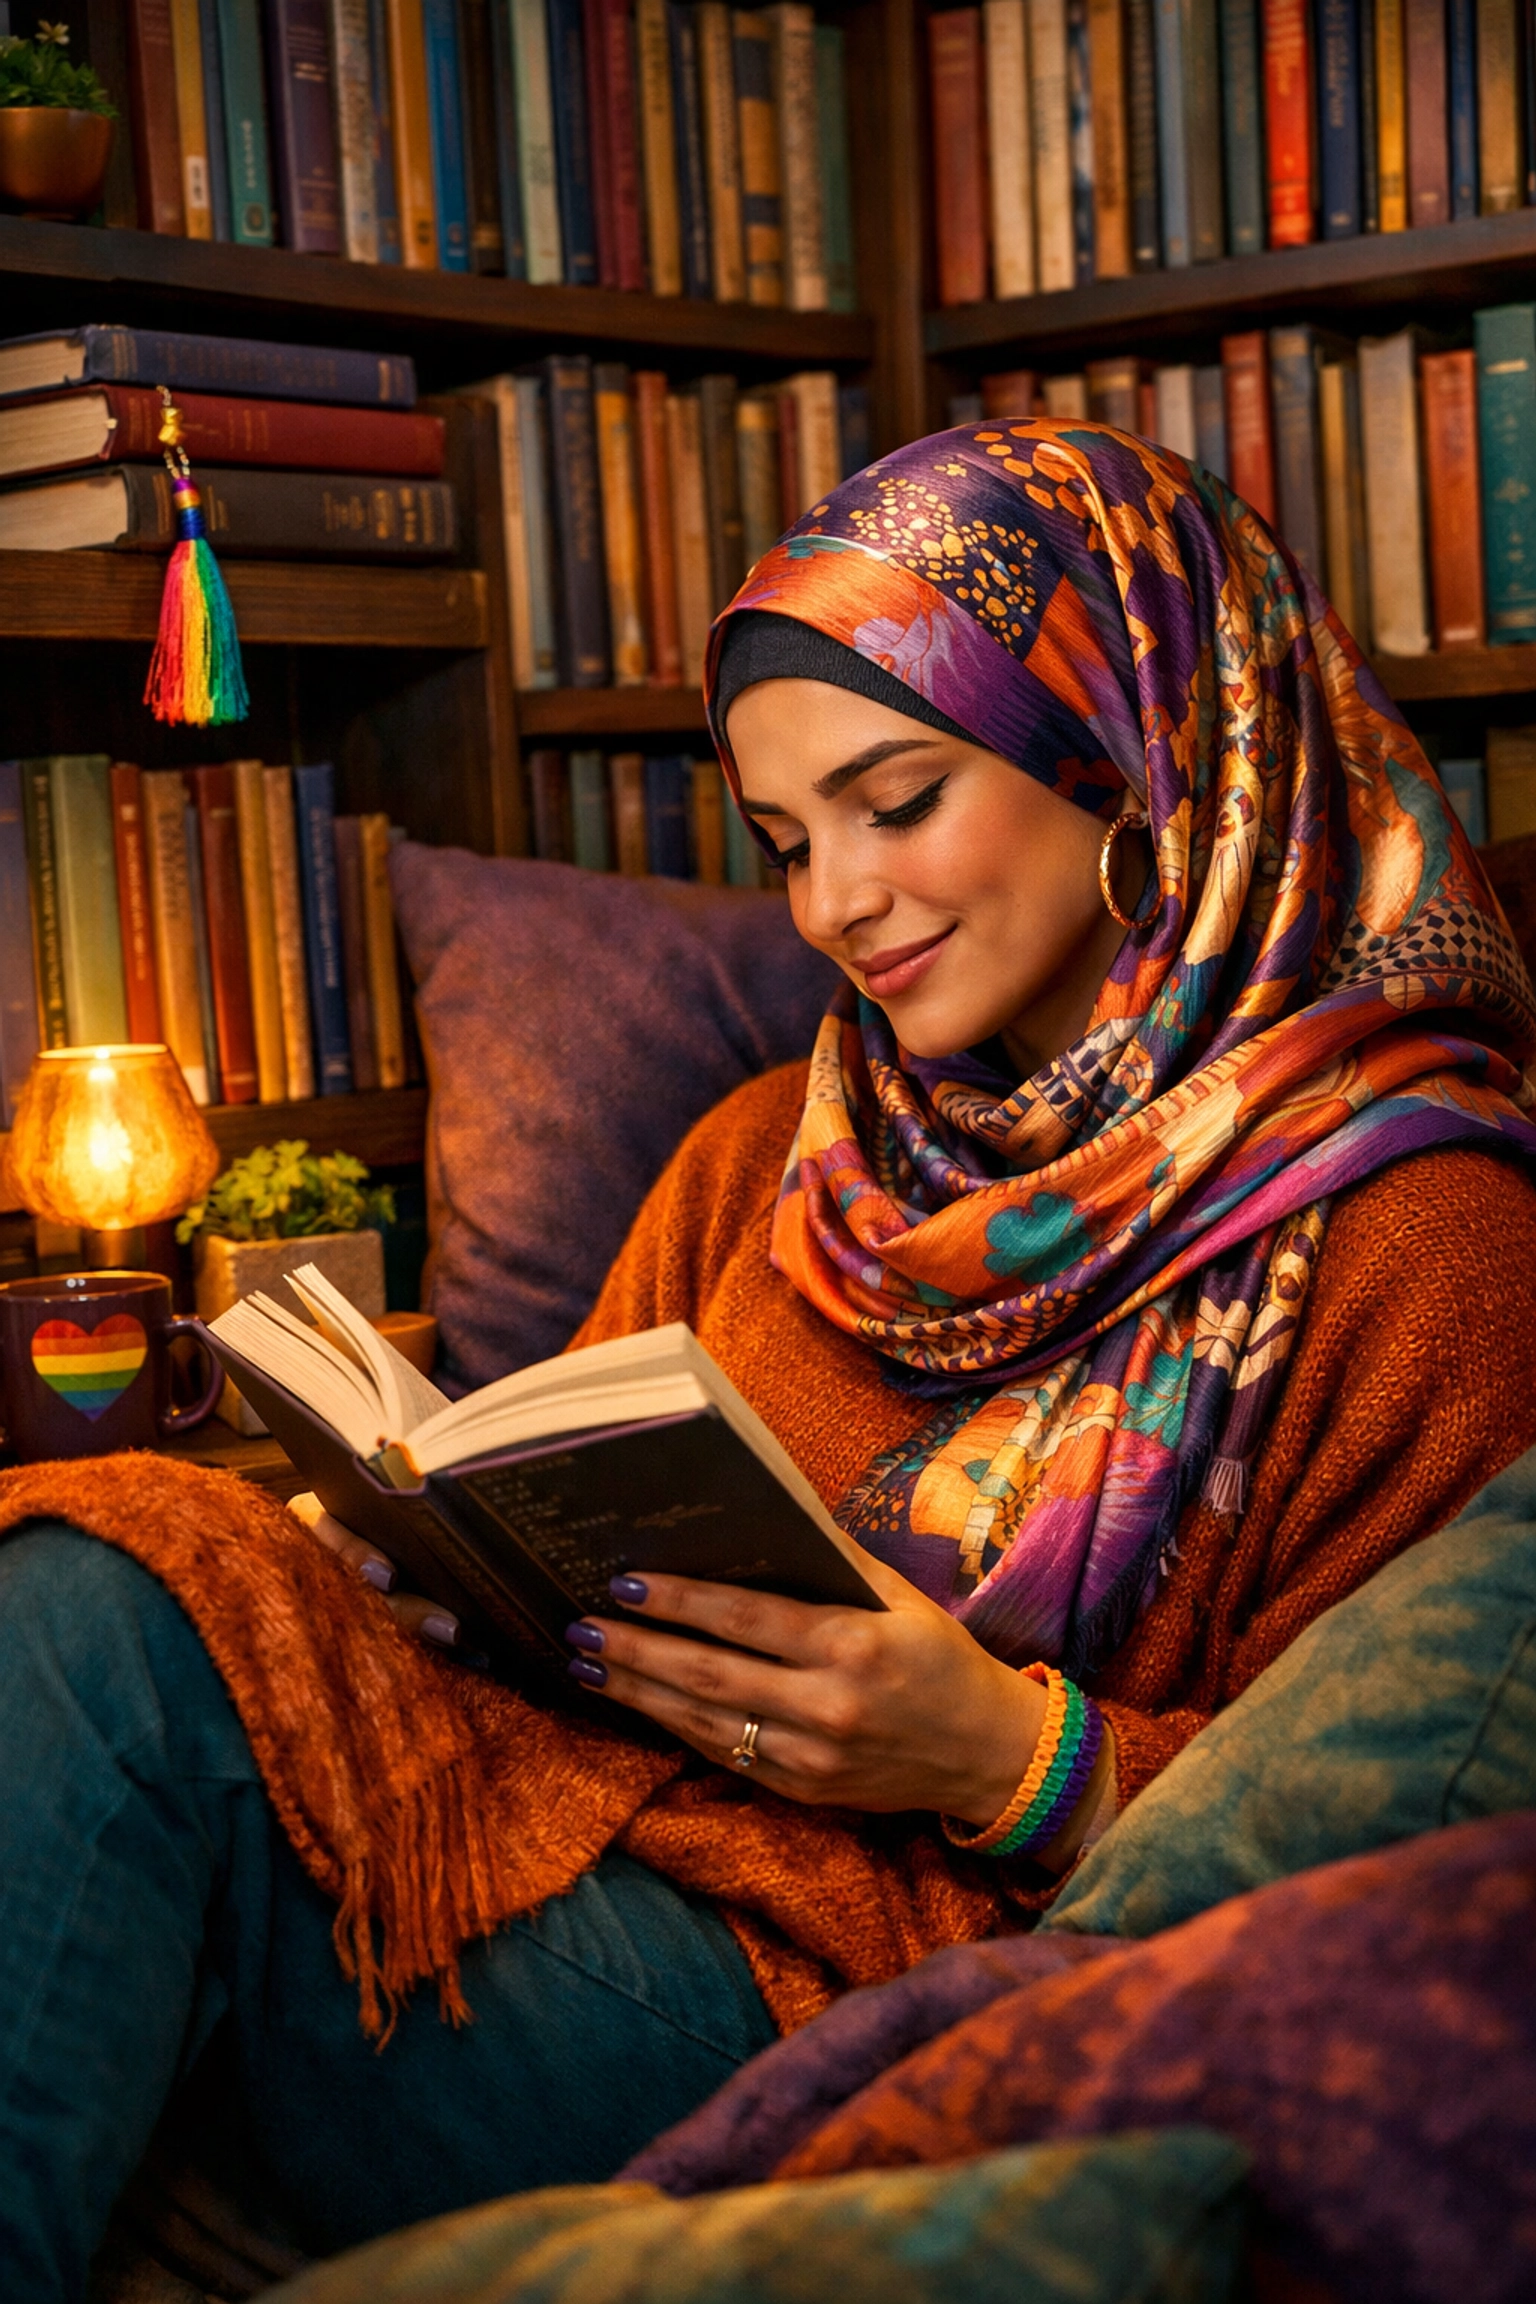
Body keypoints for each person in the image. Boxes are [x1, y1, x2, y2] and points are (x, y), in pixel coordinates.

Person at [4, 420, 1536, 2303]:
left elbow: (1430, 1849)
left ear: (1135, 745)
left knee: (111, 1628)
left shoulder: (1421, 1235)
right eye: (790, 841)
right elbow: (541, 1501)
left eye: (896, 804)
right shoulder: (775, 1146)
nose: (834, 905)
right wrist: (411, 1565)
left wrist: (1002, 1755)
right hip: (581, 1850)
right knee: (144, 1572)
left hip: (882, 1996)